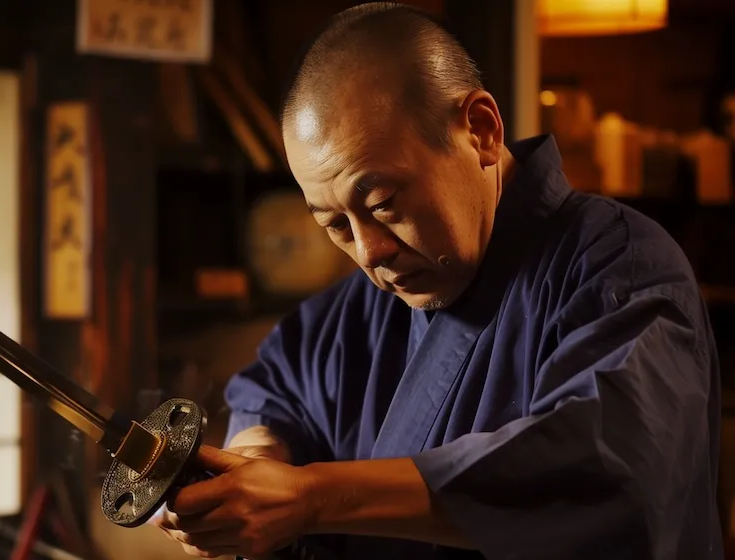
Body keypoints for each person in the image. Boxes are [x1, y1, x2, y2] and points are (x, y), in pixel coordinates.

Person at [153, 3, 724, 559]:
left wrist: (315, 499)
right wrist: (258, 454)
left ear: (480, 131)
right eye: (334, 224)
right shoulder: (369, 302)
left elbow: (604, 468)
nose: (370, 252)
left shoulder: (621, 269)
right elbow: (275, 384)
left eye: (382, 203)